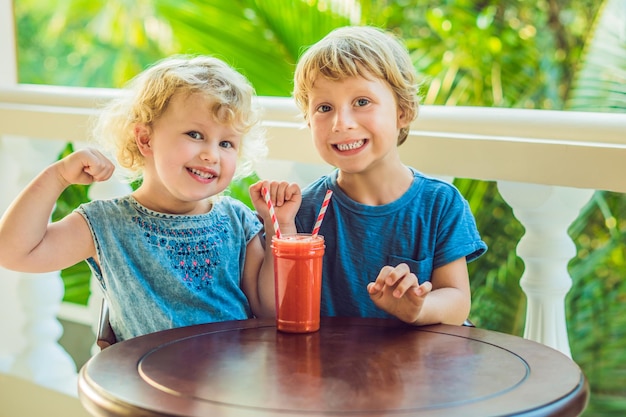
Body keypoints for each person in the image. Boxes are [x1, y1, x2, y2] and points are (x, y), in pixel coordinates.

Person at [0, 55, 297, 341]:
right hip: (148, 388)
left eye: (226, 143)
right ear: (145, 139)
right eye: (195, 134)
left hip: (232, 386)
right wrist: (58, 176)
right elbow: (14, 252)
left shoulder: (236, 220)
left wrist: (278, 229)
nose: (211, 154)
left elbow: (268, 309)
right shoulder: (107, 224)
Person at [290, 25, 487, 326]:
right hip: (334, 369)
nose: (341, 123)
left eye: (362, 102)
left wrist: (418, 308)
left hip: (421, 370)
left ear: (403, 112)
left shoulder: (440, 204)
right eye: (325, 107)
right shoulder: (304, 211)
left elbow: (457, 301)